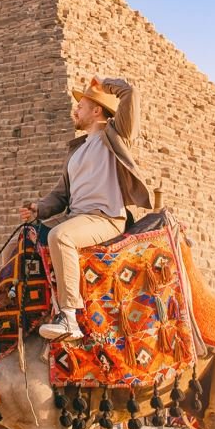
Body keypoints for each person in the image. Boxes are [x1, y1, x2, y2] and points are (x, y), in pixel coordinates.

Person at [20, 76, 153, 340]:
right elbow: (60, 195)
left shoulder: (116, 137)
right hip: (76, 217)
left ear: (96, 110)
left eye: (80, 105)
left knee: (62, 237)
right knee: (22, 241)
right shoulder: (77, 151)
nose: (75, 110)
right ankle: (24, 311)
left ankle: (69, 317)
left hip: (105, 217)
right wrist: (38, 208)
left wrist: (104, 85)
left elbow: (130, 93)